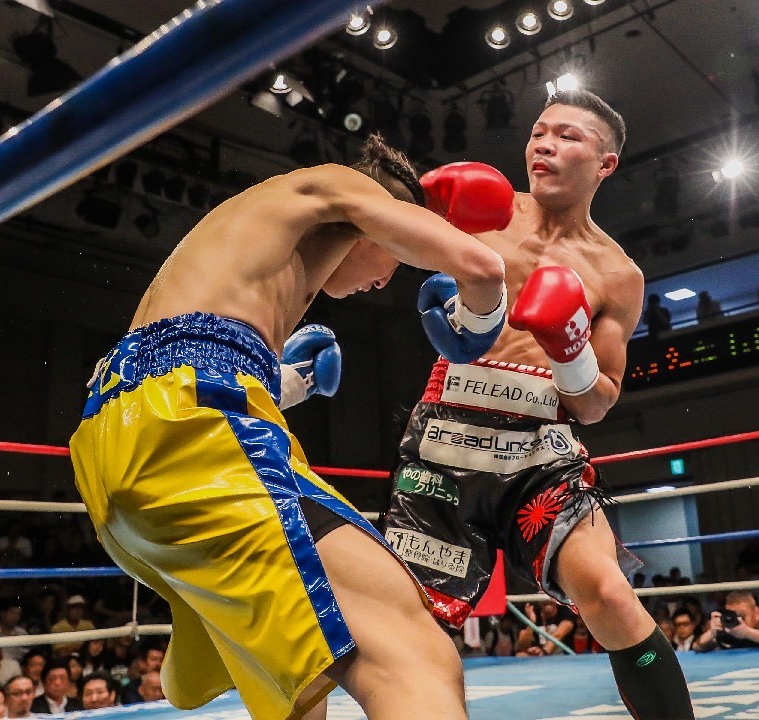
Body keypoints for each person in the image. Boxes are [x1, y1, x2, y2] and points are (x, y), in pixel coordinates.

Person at [69, 134, 508, 720]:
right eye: (395, 261)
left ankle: (211, 629)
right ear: (381, 220)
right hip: (193, 433)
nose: (386, 281)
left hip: (117, 444)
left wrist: (290, 382)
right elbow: (479, 265)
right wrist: (483, 307)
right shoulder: (338, 182)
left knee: (303, 680)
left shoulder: (249, 239)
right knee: (414, 654)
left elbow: (172, 359)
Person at [384, 89, 695, 719]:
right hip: (445, 446)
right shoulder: (482, 210)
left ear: (605, 163)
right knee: (414, 628)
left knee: (610, 594)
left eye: (567, 136)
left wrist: (570, 349)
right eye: (538, 133)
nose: (544, 145)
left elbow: (597, 403)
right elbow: (376, 250)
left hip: (539, 453)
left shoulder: (618, 274)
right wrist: (414, 210)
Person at [693, 591, 759, 651]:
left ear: (756, 613)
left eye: (742, 616)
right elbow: (697, 647)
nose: (739, 620)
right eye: (734, 615)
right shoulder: (728, 624)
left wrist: (747, 633)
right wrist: (711, 633)